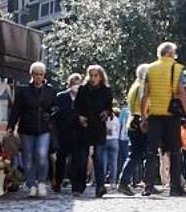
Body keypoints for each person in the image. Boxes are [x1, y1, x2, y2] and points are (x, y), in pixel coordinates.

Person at [142, 41, 186, 197]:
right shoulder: (177, 69)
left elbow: (145, 95)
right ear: (171, 54)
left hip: (154, 115)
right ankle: (175, 187)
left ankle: (148, 186)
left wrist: (144, 116)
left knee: (151, 152)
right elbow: (182, 94)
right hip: (172, 116)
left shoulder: (149, 69)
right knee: (175, 151)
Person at [6, 62, 55, 198]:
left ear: (44, 75)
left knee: (41, 154)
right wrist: (11, 125)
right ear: (31, 75)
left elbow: (55, 107)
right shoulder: (23, 91)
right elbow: (16, 109)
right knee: (27, 158)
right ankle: (31, 184)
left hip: (44, 128)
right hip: (27, 128)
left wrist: (52, 113)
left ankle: (41, 182)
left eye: (41, 74)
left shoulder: (50, 91)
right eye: (36, 74)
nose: (38, 77)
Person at [75, 65, 114, 197]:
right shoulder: (82, 89)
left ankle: (100, 186)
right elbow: (76, 108)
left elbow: (109, 108)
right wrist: (79, 117)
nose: (93, 78)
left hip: (98, 126)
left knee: (98, 157)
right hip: (84, 126)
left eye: (96, 75)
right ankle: (79, 185)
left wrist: (106, 113)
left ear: (101, 77)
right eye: (91, 75)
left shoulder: (106, 90)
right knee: (81, 157)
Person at [51, 72, 85, 193]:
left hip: (78, 133)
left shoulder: (83, 97)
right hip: (63, 133)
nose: (76, 86)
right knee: (61, 159)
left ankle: (75, 184)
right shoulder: (61, 96)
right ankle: (58, 182)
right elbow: (55, 114)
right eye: (73, 84)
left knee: (76, 160)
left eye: (78, 84)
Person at [120, 63, 150, 189]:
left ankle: (126, 181)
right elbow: (144, 102)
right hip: (140, 121)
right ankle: (127, 182)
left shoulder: (135, 85)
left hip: (133, 120)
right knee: (141, 154)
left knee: (136, 154)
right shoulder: (142, 86)